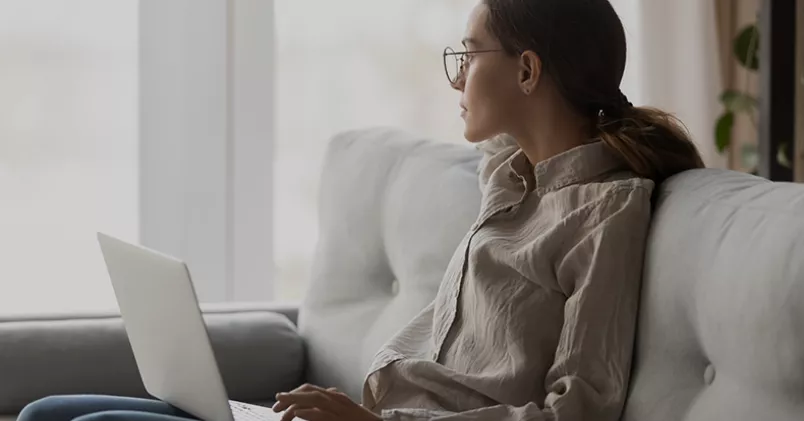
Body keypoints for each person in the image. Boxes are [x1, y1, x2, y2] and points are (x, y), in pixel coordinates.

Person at [18, 0, 705, 420]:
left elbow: (577, 411)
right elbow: (528, 124)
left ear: (527, 72)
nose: (458, 75)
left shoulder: (606, 212)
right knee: (45, 410)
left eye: (469, 53)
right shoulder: (511, 179)